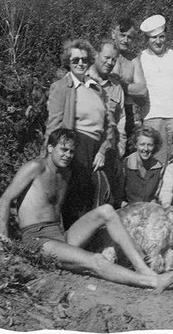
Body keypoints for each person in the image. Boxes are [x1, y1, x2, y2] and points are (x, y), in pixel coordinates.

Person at [0, 128, 173, 291]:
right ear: (50, 148)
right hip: (37, 238)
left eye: (71, 151)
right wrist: (3, 239)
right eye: (63, 149)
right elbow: (5, 199)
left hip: (60, 235)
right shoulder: (35, 167)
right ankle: (151, 281)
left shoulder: (65, 173)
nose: (67, 155)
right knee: (96, 260)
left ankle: (141, 266)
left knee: (107, 210)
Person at [44, 39, 115, 229]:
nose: (80, 64)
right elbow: (54, 125)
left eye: (84, 60)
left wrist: (102, 150)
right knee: (73, 198)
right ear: (68, 61)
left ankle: (87, 243)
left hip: (96, 150)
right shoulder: (62, 86)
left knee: (94, 196)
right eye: (75, 60)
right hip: (75, 145)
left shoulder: (96, 88)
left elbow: (108, 127)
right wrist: (48, 157)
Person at [137, 15, 173, 165]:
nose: (158, 41)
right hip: (152, 118)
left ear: (166, 36)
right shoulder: (140, 58)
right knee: (156, 163)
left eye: (161, 36)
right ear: (146, 39)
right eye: (153, 37)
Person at [87, 40, 126, 203]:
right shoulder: (81, 79)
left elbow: (121, 119)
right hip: (85, 148)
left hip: (109, 150)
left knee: (106, 198)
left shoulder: (116, 87)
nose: (110, 63)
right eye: (107, 57)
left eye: (114, 60)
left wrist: (120, 148)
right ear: (96, 54)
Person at [110, 18, 148, 144]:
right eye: (122, 35)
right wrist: (130, 88)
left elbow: (142, 90)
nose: (125, 40)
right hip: (106, 109)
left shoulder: (133, 60)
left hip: (128, 111)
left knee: (128, 152)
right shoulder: (102, 56)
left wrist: (118, 85)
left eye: (129, 37)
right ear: (113, 34)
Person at [118, 126, 163, 206]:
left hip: (149, 210)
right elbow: (118, 197)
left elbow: (158, 197)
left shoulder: (159, 168)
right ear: (135, 145)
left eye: (150, 145)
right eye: (142, 144)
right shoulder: (125, 165)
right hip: (128, 210)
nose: (146, 149)